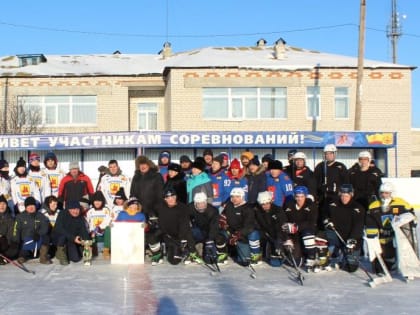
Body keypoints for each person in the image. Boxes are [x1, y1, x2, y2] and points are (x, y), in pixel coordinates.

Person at [365, 182, 415, 273]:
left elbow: (411, 214)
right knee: (379, 269)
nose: (384, 195)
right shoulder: (374, 206)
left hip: (399, 238)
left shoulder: (400, 203)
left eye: (387, 193)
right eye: (382, 193)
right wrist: (373, 237)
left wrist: (401, 221)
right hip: (384, 238)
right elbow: (370, 223)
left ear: (392, 193)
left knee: (405, 257)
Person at [148, 188, 199, 265]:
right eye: (168, 198)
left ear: (176, 197)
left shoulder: (182, 207)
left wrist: (180, 238)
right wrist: (151, 216)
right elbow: (151, 209)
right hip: (164, 233)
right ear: (165, 199)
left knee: (174, 261)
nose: (170, 199)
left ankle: (190, 252)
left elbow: (185, 225)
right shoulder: (160, 206)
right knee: (151, 237)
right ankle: (157, 254)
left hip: (177, 236)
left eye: (172, 197)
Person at [323, 184, 365, 272]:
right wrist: (327, 220)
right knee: (326, 236)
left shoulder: (358, 208)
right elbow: (324, 215)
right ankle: (328, 256)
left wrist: (353, 239)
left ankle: (343, 257)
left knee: (351, 267)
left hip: (350, 238)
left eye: (346, 196)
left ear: (351, 195)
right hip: (336, 234)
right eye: (342, 195)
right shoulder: (333, 204)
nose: (344, 198)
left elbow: (358, 226)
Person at [219, 187, 261, 265]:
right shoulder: (229, 206)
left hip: (243, 234)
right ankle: (222, 254)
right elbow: (223, 216)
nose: (234, 199)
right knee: (220, 236)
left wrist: (238, 235)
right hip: (231, 231)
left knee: (244, 261)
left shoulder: (248, 208)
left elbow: (248, 226)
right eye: (232, 197)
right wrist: (222, 221)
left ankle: (256, 254)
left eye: (237, 197)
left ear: (242, 197)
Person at [282, 186, 319, 270]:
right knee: (294, 262)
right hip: (294, 236)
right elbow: (284, 221)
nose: (299, 199)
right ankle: (301, 255)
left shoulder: (311, 206)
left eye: (302, 196)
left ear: (305, 196)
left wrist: (297, 226)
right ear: (294, 196)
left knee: (307, 234)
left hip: (306, 233)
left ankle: (312, 256)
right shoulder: (288, 205)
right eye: (297, 196)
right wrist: (287, 238)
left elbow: (311, 222)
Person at [314, 144, 349, 228]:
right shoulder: (320, 166)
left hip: (336, 197)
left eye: (330, 153)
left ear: (335, 154)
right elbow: (315, 181)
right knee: (322, 216)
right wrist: (320, 188)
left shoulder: (340, 167)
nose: (328, 155)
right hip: (323, 197)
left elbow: (346, 182)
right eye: (326, 153)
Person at [11, 197, 51, 264]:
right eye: (29, 206)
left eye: (33, 205)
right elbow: (16, 230)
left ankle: (43, 257)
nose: (31, 207)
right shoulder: (20, 217)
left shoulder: (41, 216)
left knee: (46, 238)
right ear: (26, 207)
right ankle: (22, 256)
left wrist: (39, 234)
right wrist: (15, 240)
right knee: (22, 247)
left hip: (37, 240)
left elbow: (45, 227)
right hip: (26, 241)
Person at [254, 191, 289, 266]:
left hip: (277, 236)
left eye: (267, 203)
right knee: (255, 234)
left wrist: (279, 239)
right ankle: (258, 253)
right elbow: (257, 224)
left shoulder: (278, 210)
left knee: (275, 263)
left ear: (270, 201)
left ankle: (279, 251)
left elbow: (282, 226)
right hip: (265, 235)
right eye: (263, 204)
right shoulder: (258, 211)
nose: (265, 206)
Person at [52, 200, 91, 265]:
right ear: (68, 209)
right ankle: (60, 254)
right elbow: (59, 228)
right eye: (73, 209)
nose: (75, 211)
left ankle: (67, 252)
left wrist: (88, 243)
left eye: (77, 209)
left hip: (71, 239)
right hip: (60, 238)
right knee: (62, 236)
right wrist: (73, 238)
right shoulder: (62, 214)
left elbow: (83, 230)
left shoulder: (80, 217)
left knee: (76, 259)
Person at [187, 192, 221, 264]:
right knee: (190, 232)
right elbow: (185, 221)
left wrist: (210, 240)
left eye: (203, 203)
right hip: (197, 232)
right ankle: (192, 251)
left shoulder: (213, 211)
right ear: (195, 203)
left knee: (210, 260)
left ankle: (213, 251)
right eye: (199, 203)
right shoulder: (189, 208)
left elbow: (214, 227)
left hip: (208, 233)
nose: (201, 206)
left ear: (206, 202)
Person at [130, 155, 164, 220]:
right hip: (138, 211)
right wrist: (133, 205)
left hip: (153, 211)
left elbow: (160, 195)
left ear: (148, 164)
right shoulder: (136, 177)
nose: (143, 166)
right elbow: (132, 194)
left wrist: (156, 210)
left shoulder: (157, 176)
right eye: (140, 164)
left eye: (144, 164)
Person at [86, 191, 112, 256]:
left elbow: (107, 221)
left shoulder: (106, 210)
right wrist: (92, 232)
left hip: (104, 234)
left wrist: (98, 229)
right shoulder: (90, 211)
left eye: (99, 201)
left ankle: (106, 249)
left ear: (102, 201)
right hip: (94, 235)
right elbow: (88, 224)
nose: (97, 203)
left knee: (108, 229)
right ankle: (91, 249)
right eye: (95, 201)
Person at [40, 195, 61, 259]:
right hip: (45, 235)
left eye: (56, 204)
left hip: (55, 234)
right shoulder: (41, 213)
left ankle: (59, 252)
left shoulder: (58, 212)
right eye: (53, 204)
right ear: (48, 204)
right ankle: (43, 255)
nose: (56, 206)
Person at [0, 194, 15, 264]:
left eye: (4, 204)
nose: (2, 206)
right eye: (0, 204)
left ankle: (3, 256)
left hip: (5, 244)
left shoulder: (10, 219)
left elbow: (10, 235)